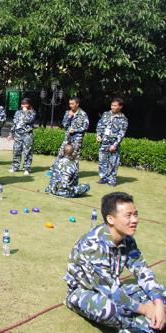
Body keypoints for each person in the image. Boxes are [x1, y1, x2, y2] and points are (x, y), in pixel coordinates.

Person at [65, 192, 165, 332]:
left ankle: (150, 317)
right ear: (111, 219)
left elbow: (142, 271)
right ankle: (138, 325)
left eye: (135, 214)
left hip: (114, 286)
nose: (134, 220)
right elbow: (110, 292)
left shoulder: (127, 238)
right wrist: (145, 309)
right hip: (84, 292)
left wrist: (158, 303)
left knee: (161, 293)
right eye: (128, 216)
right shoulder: (93, 245)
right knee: (108, 309)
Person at [96, 98, 128, 187]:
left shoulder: (123, 119)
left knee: (113, 162)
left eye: (115, 105)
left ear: (120, 106)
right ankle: (103, 178)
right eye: (112, 105)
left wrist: (115, 144)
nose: (112, 107)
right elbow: (100, 125)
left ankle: (112, 180)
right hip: (103, 142)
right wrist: (98, 135)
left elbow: (121, 133)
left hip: (113, 143)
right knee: (102, 161)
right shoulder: (106, 114)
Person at [8, 98, 36, 175]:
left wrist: (25, 112)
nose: (23, 105)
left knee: (27, 151)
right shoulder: (17, 112)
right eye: (22, 104)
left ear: (29, 104)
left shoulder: (32, 112)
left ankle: (26, 168)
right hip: (18, 134)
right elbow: (14, 123)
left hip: (27, 134)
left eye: (25, 103)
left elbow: (29, 120)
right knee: (16, 150)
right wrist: (11, 133)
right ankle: (15, 166)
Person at [56, 97, 89, 163]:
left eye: (72, 104)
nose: (70, 105)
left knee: (75, 156)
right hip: (67, 137)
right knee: (61, 153)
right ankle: (54, 170)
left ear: (77, 104)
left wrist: (75, 130)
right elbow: (64, 125)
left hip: (77, 139)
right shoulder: (67, 113)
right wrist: (69, 117)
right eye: (70, 104)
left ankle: (73, 172)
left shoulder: (83, 114)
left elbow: (86, 127)